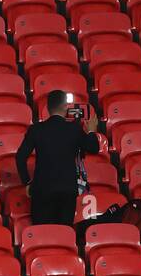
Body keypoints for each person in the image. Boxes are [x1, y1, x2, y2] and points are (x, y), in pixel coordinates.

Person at [15, 89, 99, 226]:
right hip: (67, 191)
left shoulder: (36, 129)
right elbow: (93, 148)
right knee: (64, 234)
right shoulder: (74, 129)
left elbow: (20, 157)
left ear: (47, 108)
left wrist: (27, 182)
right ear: (66, 107)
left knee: (41, 234)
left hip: (42, 190)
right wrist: (90, 131)